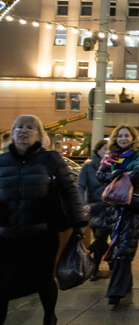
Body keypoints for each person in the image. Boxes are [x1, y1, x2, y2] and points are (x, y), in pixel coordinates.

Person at [0, 115, 87, 325]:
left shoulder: (50, 159)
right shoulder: (1, 161)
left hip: (41, 234)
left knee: (43, 280)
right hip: (6, 235)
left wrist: (79, 223)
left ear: (39, 135)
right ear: (12, 133)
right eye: (19, 127)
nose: (23, 131)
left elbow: (69, 191)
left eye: (30, 128)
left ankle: (49, 317)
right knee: (2, 284)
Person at [97, 125, 139, 306]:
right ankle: (125, 284)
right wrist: (116, 173)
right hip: (114, 205)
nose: (123, 138)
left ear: (133, 138)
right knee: (119, 246)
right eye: (120, 136)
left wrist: (115, 174)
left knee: (124, 249)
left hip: (133, 205)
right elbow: (100, 175)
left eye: (126, 135)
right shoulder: (110, 157)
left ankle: (115, 292)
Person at [78, 139, 117, 281]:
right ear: (98, 150)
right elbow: (80, 186)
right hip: (95, 207)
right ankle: (107, 265)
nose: (107, 151)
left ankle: (95, 267)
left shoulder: (115, 164)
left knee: (103, 237)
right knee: (101, 237)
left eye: (109, 149)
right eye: (105, 148)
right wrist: (83, 204)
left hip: (112, 207)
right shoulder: (88, 167)